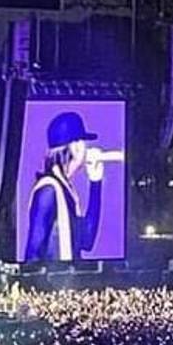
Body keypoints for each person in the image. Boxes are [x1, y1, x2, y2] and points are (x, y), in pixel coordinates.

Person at [24, 111, 119, 263]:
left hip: (68, 280)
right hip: (54, 283)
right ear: (76, 147)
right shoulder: (48, 190)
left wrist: (96, 183)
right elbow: (33, 255)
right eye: (83, 143)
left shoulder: (66, 190)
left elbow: (86, 240)